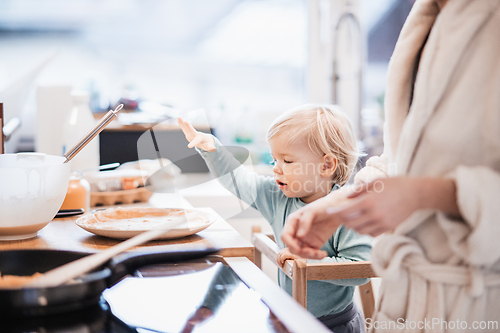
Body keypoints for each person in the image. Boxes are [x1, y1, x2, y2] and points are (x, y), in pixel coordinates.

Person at [282, 0, 500, 331]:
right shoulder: (425, 17)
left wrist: (425, 194)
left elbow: (417, 184)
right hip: (407, 303)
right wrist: (341, 205)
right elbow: (399, 160)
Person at [178, 104, 372, 332]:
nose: (276, 169)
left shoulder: (348, 211)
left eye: (287, 161)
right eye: (274, 160)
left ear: (327, 165)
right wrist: (213, 150)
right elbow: (240, 181)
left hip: (335, 324)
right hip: (290, 318)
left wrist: (305, 263)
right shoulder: (277, 196)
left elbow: (359, 270)